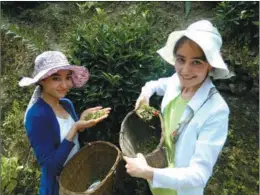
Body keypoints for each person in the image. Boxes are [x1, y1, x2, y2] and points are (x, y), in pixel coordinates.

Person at [123, 20, 231, 195]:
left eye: (197, 62)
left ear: (210, 65)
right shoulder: (176, 81)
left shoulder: (216, 110)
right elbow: (155, 84)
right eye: (181, 59)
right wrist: (145, 94)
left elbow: (199, 175)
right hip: (158, 181)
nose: (185, 70)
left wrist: (148, 172)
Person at [19, 51, 111, 195]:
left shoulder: (66, 104)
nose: (64, 85)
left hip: (78, 178)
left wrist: (82, 122)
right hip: (58, 188)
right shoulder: (36, 116)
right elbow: (50, 168)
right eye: (56, 78)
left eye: (68, 77)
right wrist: (75, 127)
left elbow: (72, 136)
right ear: (42, 80)